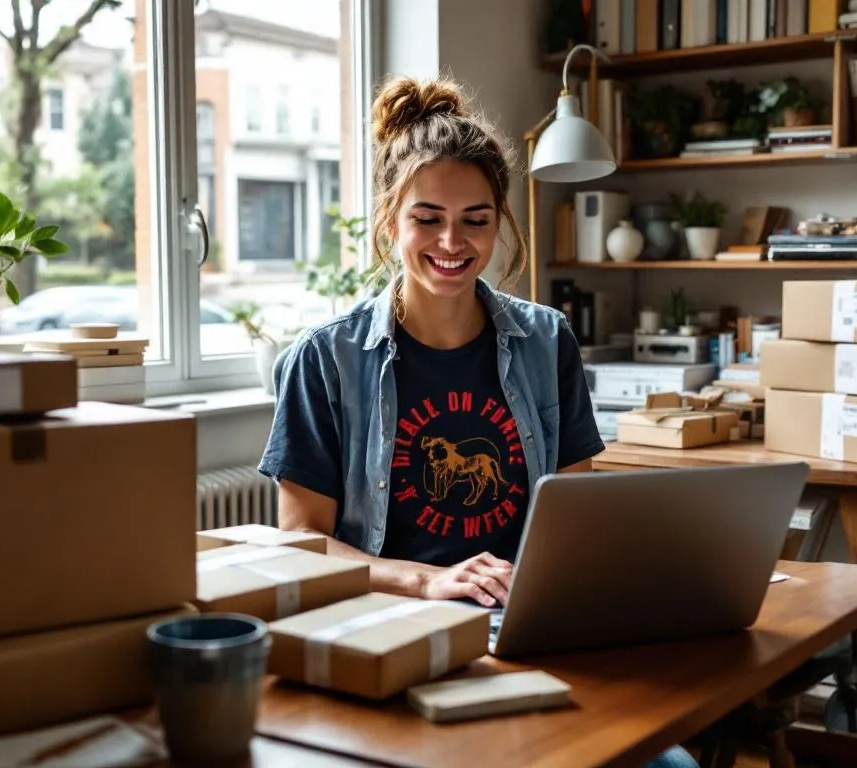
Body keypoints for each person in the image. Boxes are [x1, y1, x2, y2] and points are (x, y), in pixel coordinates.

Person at [258, 75, 697, 768]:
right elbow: (298, 543)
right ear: (390, 222)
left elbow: (577, 514)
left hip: (523, 630)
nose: (452, 242)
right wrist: (426, 580)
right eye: (427, 218)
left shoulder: (547, 340)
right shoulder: (325, 360)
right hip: (395, 636)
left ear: (501, 222)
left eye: (476, 219)